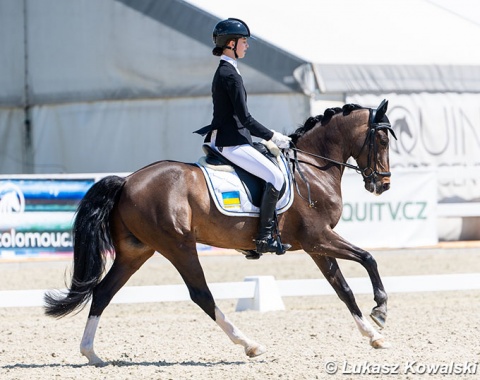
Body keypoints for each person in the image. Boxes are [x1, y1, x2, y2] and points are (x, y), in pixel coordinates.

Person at [194, 18, 291, 255]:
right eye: (244, 41)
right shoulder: (229, 75)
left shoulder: (228, 70)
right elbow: (245, 118)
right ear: (230, 44)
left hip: (233, 138)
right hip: (232, 142)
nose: (247, 46)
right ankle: (264, 238)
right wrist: (273, 136)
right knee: (276, 177)